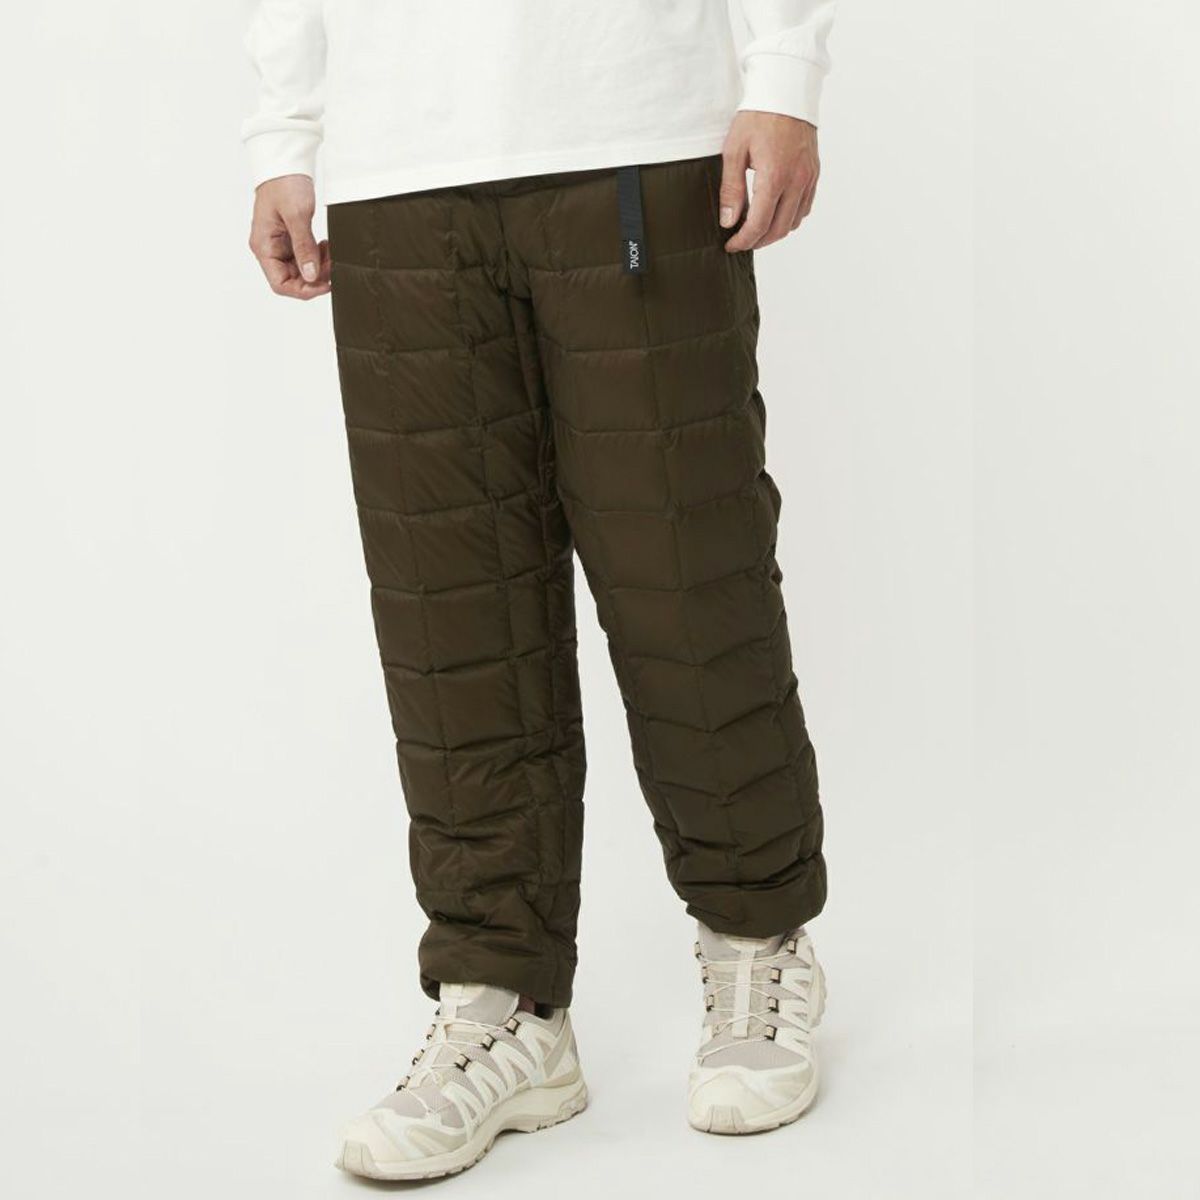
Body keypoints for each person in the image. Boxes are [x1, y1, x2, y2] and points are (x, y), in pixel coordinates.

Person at [243, 1, 835, 1179]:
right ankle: (502, 1004)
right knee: (451, 611)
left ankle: (757, 940)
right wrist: (284, 129)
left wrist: (785, 71)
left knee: (688, 581)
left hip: (633, 135)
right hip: (402, 162)